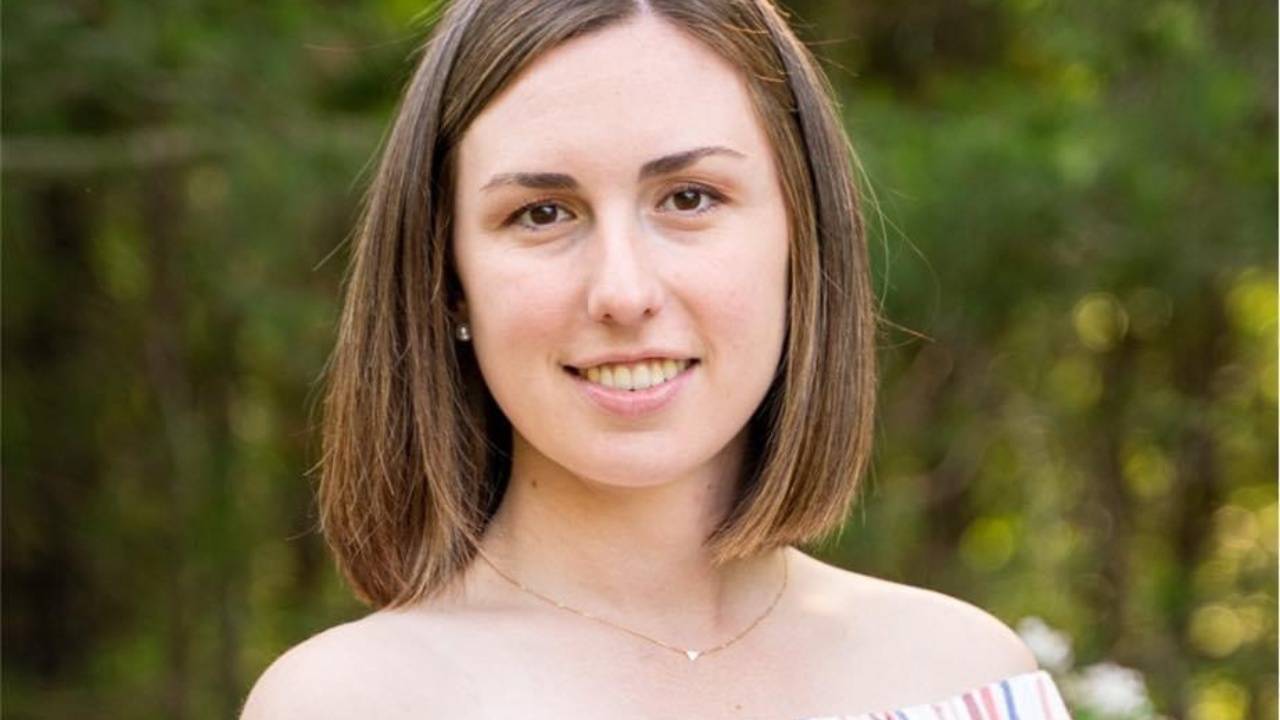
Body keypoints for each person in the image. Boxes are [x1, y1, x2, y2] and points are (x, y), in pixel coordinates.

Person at [242, 0, 1073, 717]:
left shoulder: (964, 680)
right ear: (447, 275)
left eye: (688, 198)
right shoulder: (348, 704)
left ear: (801, 240)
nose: (623, 291)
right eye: (541, 213)